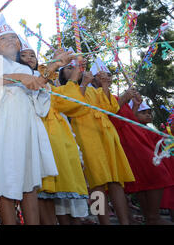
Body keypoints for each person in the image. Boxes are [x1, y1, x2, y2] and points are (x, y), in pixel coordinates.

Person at [0, 14, 74, 225]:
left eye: (13, 38)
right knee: (6, 183)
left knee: (30, 184)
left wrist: (52, 69)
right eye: (3, 39)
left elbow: (38, 92)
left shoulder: (26, 67)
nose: (10, 41)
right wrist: (16, 79)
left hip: (27, 129)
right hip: (4, 127)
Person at [19, 46, 90, 225]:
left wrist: (75, 75)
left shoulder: (48, 82)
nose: (29, 58)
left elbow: (64, 102)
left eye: (32, 55)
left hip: (56, 135)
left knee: (51, 191)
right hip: (34, 132)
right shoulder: (18, 78)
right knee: (39, 189)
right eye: (23, 55)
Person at [68, 58, 135, 225]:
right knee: (96, 182)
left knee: (115, 180)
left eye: (109, 75)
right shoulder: (77, 87)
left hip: (107, 135)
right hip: (87, 135)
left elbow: (111, 109)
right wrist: (85, 82)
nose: (107, 77)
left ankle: (124, 221)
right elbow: (72, 106)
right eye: (103, 75)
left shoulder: (100, 91)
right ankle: (103, 221)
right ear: (94, 75)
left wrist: (105, 86)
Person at [114, 96, 174, 225]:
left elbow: (164, 141)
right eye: (143, 112)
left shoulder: (147, 130)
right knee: (151, 218)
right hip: (143, 172)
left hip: (149, 171)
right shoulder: (126, 125)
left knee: (152, 218)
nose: (148, 115)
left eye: (149, 112)